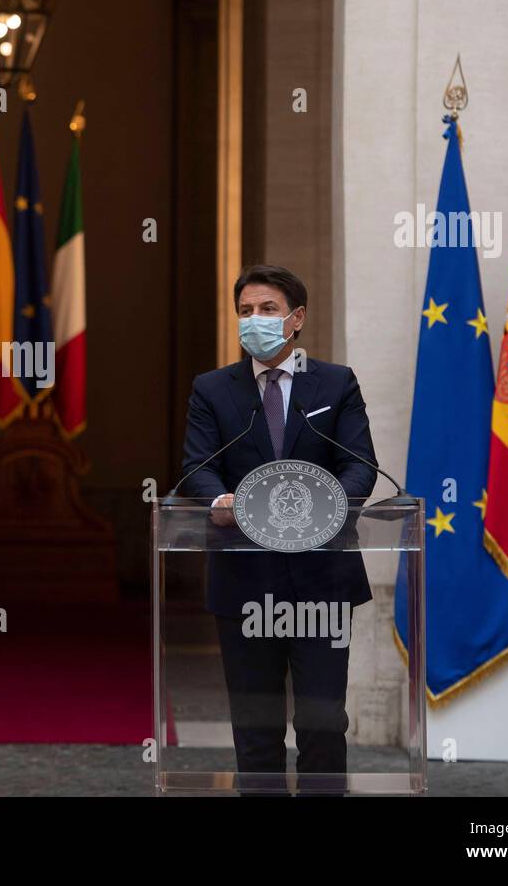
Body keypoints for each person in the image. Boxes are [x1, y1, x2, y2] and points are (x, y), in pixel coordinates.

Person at [179, 264, 377, 793]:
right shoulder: (213, 389)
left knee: (321, 721)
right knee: (255, 725)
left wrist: (323, 505)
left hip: (322, 582)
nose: (255, 320)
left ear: (297, 318)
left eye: (267, 309)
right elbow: (198, 468)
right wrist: (217, 499)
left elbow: (359, 466)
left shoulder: (335, 383)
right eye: (245, 311)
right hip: (245, 581)